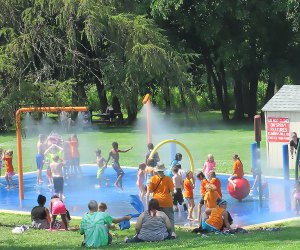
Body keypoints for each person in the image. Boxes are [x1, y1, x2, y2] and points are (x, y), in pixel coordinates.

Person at [147, 163, 176, 238]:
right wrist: (172, 198)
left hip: (156, 202)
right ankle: (172, 233)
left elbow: (150, 191)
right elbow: (172, 191)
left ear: (157, 171)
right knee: (170, 218)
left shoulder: (153, 178)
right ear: (163, 170)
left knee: (157, 218)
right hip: (167, 201)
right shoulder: (168, 178)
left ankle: (157, 232)